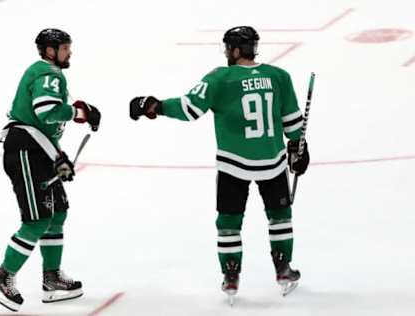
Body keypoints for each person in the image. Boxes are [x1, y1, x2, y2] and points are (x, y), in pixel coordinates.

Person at [129, 26, 309, 298]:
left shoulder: (219, 79)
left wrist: (156, 106)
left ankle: (231, 276)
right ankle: (283, 268)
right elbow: (293, 124)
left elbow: (189, 108)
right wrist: (298, 147)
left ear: (235, 50)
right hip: (272, 161)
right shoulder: (279, 76)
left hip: (232, 164)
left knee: (228, 222)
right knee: (280, 217)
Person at [0, 28, 101, 312]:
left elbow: (44, 126)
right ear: (50, 51)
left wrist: (57, 156)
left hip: (37, 152)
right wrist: (77, 113)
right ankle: (2, 278)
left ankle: (52, 278)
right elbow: (46, 110)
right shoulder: (48, 74)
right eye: (64, 48)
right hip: (25, 151)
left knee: (57, 211)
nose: (69, 52)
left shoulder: (49, 73)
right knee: (37, 219)